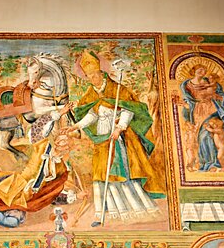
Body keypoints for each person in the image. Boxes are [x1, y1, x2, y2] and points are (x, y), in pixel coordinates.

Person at [67, 51, 164, 222]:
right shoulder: (91, 95)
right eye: (89, 76)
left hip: (117, 137)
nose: (92, 79)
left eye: (94, 74)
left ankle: (135, 211)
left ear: (101, 72)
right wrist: (76, 126)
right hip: (102, 139)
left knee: (118, 171)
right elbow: (92, 116)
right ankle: (106, 213)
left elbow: (129, 110)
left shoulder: (117, 90)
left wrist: (119, 128)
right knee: (100, 173)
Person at [178, 65, 224, 172]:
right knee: (204, 136)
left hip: (212, 109)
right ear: (194, 71)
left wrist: (218, 97)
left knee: (221, 133)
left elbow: (222, 95)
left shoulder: (210, 81)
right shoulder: (187, 85)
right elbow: (189, 101)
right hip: (199, 111)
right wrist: (186, 106)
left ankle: (223, 161)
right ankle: (209, 162)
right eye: (200, 70)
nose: (202, 72)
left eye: (204, 70)